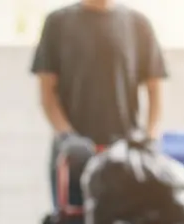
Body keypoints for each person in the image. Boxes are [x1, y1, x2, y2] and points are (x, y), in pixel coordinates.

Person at [30, 0, 168, 207]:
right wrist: (67, 136)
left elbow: (155, 90)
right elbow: (47, 94)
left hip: (124, 160)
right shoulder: (58, 23)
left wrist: (148, 138)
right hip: (73, 159)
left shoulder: (138, 24)